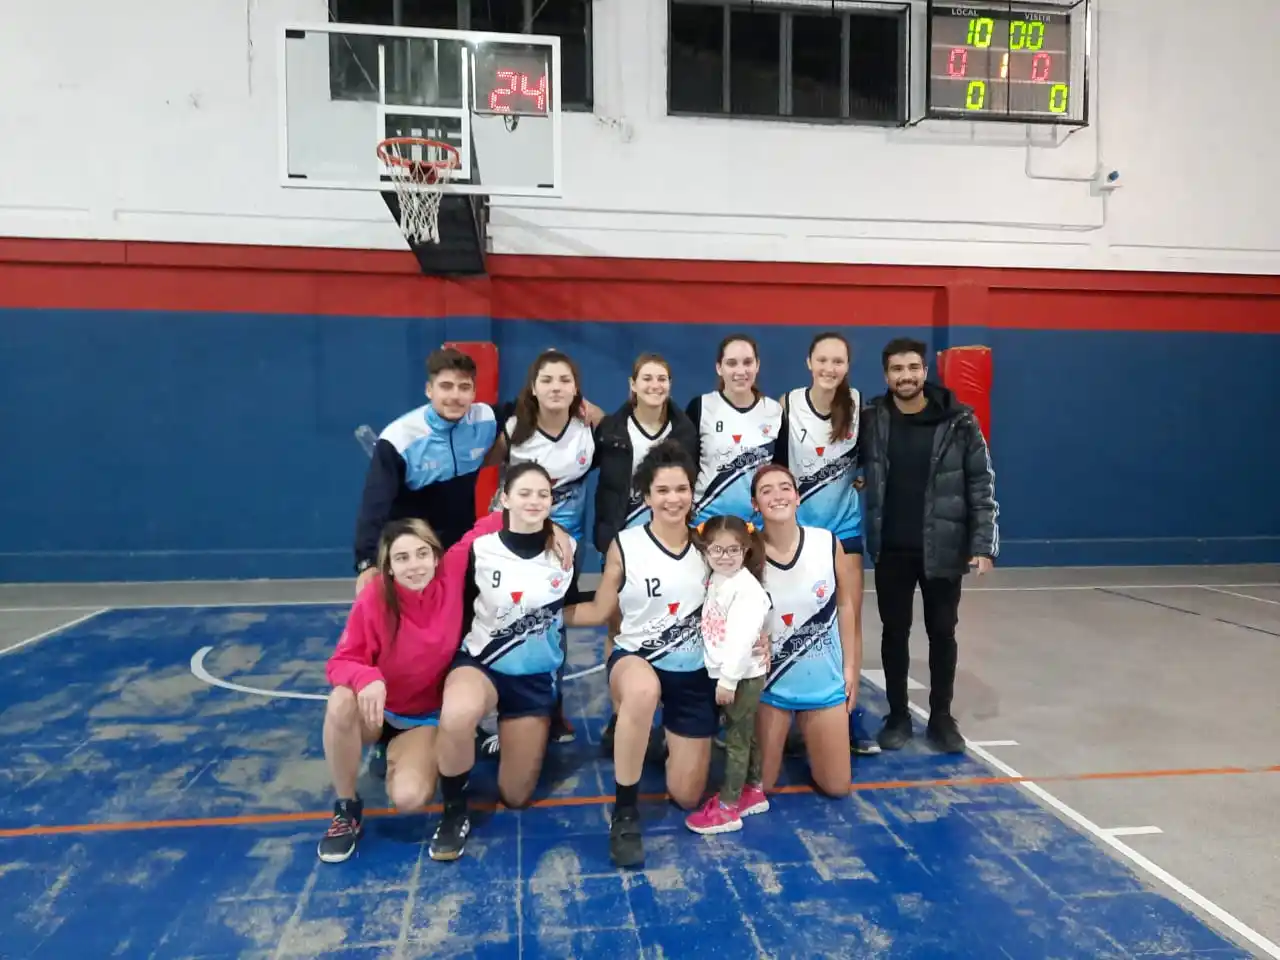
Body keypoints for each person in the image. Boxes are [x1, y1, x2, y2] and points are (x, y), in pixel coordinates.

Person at [318, 511, 503, 863]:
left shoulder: (452, 569)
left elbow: (492, 521)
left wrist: (551, 530)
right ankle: (346, 810)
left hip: (420, 718)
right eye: (401, 558)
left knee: (409, 799)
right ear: (388, 566)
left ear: (435, 555)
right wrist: (366, 677)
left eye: (421, 554)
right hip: (378, 710)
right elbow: (339, 662)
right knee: (341, 701)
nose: (414, 565)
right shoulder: (374, 599)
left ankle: (398, 753)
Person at [564, 440, 717, 868]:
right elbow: (598, 609)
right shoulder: (626, 545)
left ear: (693, 492)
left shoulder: (710, 545)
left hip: (693, 672)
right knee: (643, 690)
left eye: (682, 489)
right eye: (663, 490)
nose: (674, 499)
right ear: (646, 496)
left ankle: (672, 740)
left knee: (687, 796)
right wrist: (535, 612)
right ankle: (625, 810)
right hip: (637, 659)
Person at [429, 463, 586, 860]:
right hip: (482, 663)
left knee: (515, 796)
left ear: (552, 502)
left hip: (532, 679)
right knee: (457, 715)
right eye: (525, 493)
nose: (534, 501)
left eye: (542, 494)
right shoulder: (479, 550)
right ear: (504, 498)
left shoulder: (567, 551)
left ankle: (518, 732)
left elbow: (565, 614)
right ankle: (452, 811)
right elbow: (458, 609)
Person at [858, 336, 1000, 754]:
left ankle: (941, 718)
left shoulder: (959, 421)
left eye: (913, 368)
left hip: (943, 547)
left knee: (942, 633)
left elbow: (981, 482)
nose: (906, 376)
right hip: (891, 549)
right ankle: (898, 715)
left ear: (925, 371)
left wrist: (983, 543)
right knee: (894, 632)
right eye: (898, 369)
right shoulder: (872, 418)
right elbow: (847, 462)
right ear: (887, 376)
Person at [774, 331, 878, 756]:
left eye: (838, 361)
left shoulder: (859, 407)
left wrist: (865, 476)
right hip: (796, 533)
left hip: (843, 529)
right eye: (823, 360)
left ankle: (848, 711)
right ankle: (770, 703)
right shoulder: (786, 405)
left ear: (847, 366)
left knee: (846, 621)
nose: (830, 368)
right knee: (786, 619)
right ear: (809, 362)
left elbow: (872, 460)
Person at [486, 349, 597, 745]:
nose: (555, 387)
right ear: (533, 387)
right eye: (546, 379)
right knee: (508, 619)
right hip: (515, 540)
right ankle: (502, 708)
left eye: (564, 380)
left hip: (566, 547)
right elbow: (478, 463)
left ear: (576, 390)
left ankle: (551, 704)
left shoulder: (589, 426)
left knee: (553, 623)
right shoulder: (515, 429)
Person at [592, 353, 698, 751]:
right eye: (648, 379)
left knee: (674, 625)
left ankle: (676, 714)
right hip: (624, 540)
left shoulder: (685, 430)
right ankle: (620, 716)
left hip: (670, 542)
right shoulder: (611, 429)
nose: (656, 385)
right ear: (633, 385)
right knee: (618, 629)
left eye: (663, 379)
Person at [752, 464, 861, 797]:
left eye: (785, 487)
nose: (777, 495)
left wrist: (850, 668)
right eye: (766, 490)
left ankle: (812, 736)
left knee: (838, 787)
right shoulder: (748, 553)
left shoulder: (827, 543)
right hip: (771, 686)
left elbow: (845, 605)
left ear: (798, 497)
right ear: (755, 505)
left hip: (822, 686)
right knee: (761, 787)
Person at [352, 348, 497, 596]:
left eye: (464, 387)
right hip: (412, 552)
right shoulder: (399, 439)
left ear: (473, 392)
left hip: (458, 548)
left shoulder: (486, 419)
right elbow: (375, 504)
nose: (455, 395)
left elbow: (527, 410)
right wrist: (367, 562)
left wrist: (584, 406)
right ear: (429, 390)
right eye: (446, 386)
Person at [684, 516, 772, 836]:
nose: (724, 556)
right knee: (744, 732)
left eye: (732, 550)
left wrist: (728, 680)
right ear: (705, 550)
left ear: (745, 550)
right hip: (733, 673)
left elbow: (741, 639)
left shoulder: (745, 589)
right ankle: (754, 789)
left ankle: (728, 808)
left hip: (741, 676)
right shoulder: (720, 577)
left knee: (736, 739)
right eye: (716, 549)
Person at [686, 334, 783, 526]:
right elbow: (686, 466)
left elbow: (781, 470)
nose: (741, 371)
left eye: (747, 362)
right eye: (731, 363)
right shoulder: (701, 407)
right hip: (705, 522)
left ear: (757, 365)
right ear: (719, 368)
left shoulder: (774, 411)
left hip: (757, 526)